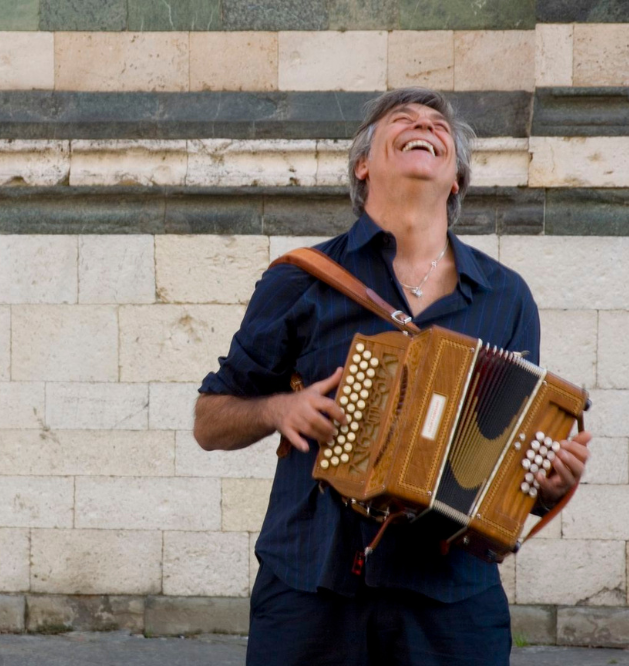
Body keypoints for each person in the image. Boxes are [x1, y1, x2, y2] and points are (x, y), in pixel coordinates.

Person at [192, 87, 591, 666]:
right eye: (402, 119)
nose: (424, 124)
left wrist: (545, 486)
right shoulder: (301, 279)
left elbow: (505, 468)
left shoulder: (506, 297)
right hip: (311, 588)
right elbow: (209, 420)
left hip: (451, 603)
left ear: (456, 179)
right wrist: (278, 410)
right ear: (363, 165)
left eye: (438, 125)